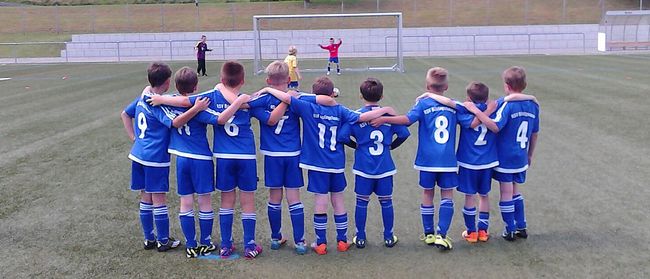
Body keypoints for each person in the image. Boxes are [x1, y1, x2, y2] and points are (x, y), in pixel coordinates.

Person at [257, 76, 395, 255]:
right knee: (338, 200)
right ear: (332, 93)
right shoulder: (340, 110)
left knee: (320, 201)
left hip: (316, 165)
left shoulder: (307, 107)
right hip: (336, 164)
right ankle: (342, 240)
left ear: (315, 94)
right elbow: (362, 117)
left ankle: (321, 243)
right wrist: (385, 111)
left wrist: (268, 90)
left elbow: (288, 98)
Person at [147, 61, 265, 259]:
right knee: (244, 201)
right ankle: (247, 244)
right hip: (240, 157)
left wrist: (159, 98)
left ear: (221, 79)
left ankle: (223, 245)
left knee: (212, 201)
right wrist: (250, 98)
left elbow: (185, 102)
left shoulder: (208, 97)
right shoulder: (239, 101)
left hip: (215, 157)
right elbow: (259, 108)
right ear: (242, 80)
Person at [248, 61, 335, 254]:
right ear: (289, 79)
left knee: (274, 197)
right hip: (293, 155)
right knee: (294, 198)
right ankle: (300, 241)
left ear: (268, 80)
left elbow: (248, 105)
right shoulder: (299, 97)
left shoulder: (261, 99)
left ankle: (275, 238)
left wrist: (265, 91)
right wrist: (288, 98)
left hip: (272, 156)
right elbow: (329, 100)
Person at [121, 62, 209, 252]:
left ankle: (148, 238)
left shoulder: (143, 97)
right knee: (158, 199)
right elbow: (176, 123)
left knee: (145, 197)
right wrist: (196, 109)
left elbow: (125, 114)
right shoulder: (157, 105)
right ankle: (162, 241)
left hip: (137, 154)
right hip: (155, 157)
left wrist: (134, 138)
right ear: (168, 82)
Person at [370, 67, 459, 251]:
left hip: (427, 160)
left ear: (427, 86)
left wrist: (385, 119)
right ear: (446, 87)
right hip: (447, 161)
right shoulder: (453, 106)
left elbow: (407, 120)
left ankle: (429, 234)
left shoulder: (423, 104)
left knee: (428, 193)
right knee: (447, 195)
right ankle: (442, 235)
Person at [463, 66, 539, 242]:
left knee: (506, 193)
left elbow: (495, 126)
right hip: (521, 156)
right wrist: (530, 154)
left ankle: (510, 229)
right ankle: (522, 225)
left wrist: (477, 112)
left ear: (506, 85)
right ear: (525, 84)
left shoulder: (506, 105)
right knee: (516, 191)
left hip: (505, 157)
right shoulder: (533, 105)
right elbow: (534, 133)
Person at [339, 78, 410, 249]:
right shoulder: (388, 116)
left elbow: (342, 137)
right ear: (382, 95)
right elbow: (404, 134)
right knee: (386, 201)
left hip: (364, 168)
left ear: (361, 96)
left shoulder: (357, 116)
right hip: (385, 167)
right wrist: (391, 146)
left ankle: (360, 237)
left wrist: (356, 145)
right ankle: (388, 236)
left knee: (361, 202)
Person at [163, 67, 221, 258]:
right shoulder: (201, 106)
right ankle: (205, 242)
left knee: (185, 202)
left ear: (175, 86)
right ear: (196, 87)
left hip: (182, 159)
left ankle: (190, 244)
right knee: (204, 201)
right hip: (201, 159)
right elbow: (218, 119)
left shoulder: (170, 104)